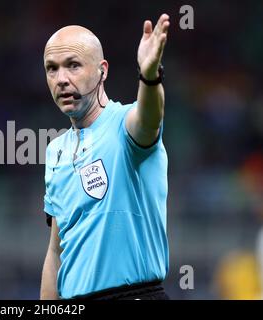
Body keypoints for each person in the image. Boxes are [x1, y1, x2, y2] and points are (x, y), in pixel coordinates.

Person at [40, 14, 171, 300]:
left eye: (73, 65)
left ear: (102, 71)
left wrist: (149, 76)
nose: (61, 79)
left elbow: (149, 118)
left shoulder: (125, 124)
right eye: (52, 69)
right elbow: (55, 252)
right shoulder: (55, 152)